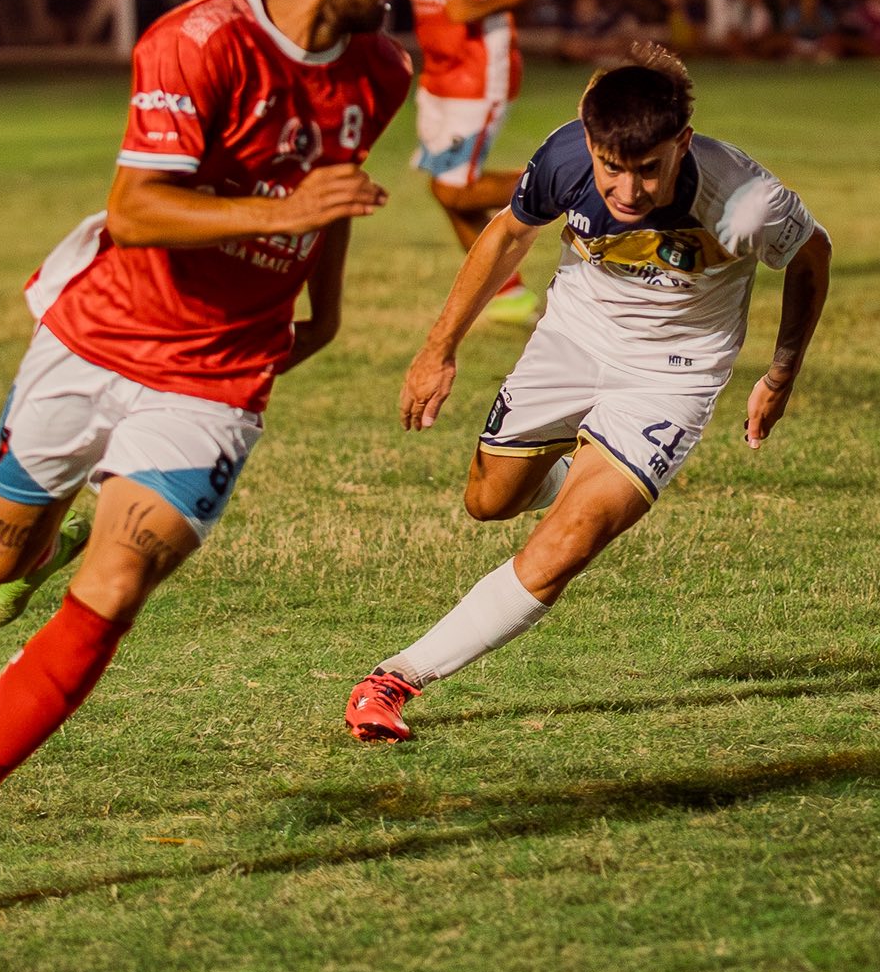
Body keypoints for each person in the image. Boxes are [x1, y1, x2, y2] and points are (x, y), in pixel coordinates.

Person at [0, 0, 412, 902]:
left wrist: (326, 307)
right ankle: (35, 536)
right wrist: (278, 217)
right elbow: (137, 211)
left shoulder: (380, 71)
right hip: (98, 336)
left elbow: (329, 190)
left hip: (214, 377)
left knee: (115, 584)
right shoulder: (197, 41)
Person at [343, 44, 831, 743]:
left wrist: (780, 373)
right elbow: (509, 235)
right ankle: (576, 471)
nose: (627, 191)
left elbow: (814, 254)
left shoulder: (743, 200)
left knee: (569, 541)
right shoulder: (565, 158)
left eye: (647, 169)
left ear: (681, 144)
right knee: (488, 502)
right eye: (612, 168)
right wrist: (438, 347)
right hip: (572, 341)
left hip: (672, 376)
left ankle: (393, 680)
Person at [402, 0, 548, 325]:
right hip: (438, 71)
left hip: (478, 68)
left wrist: (477, 8)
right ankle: (508, 292)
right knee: (445, 187)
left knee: (454, 187)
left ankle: (577, 182)